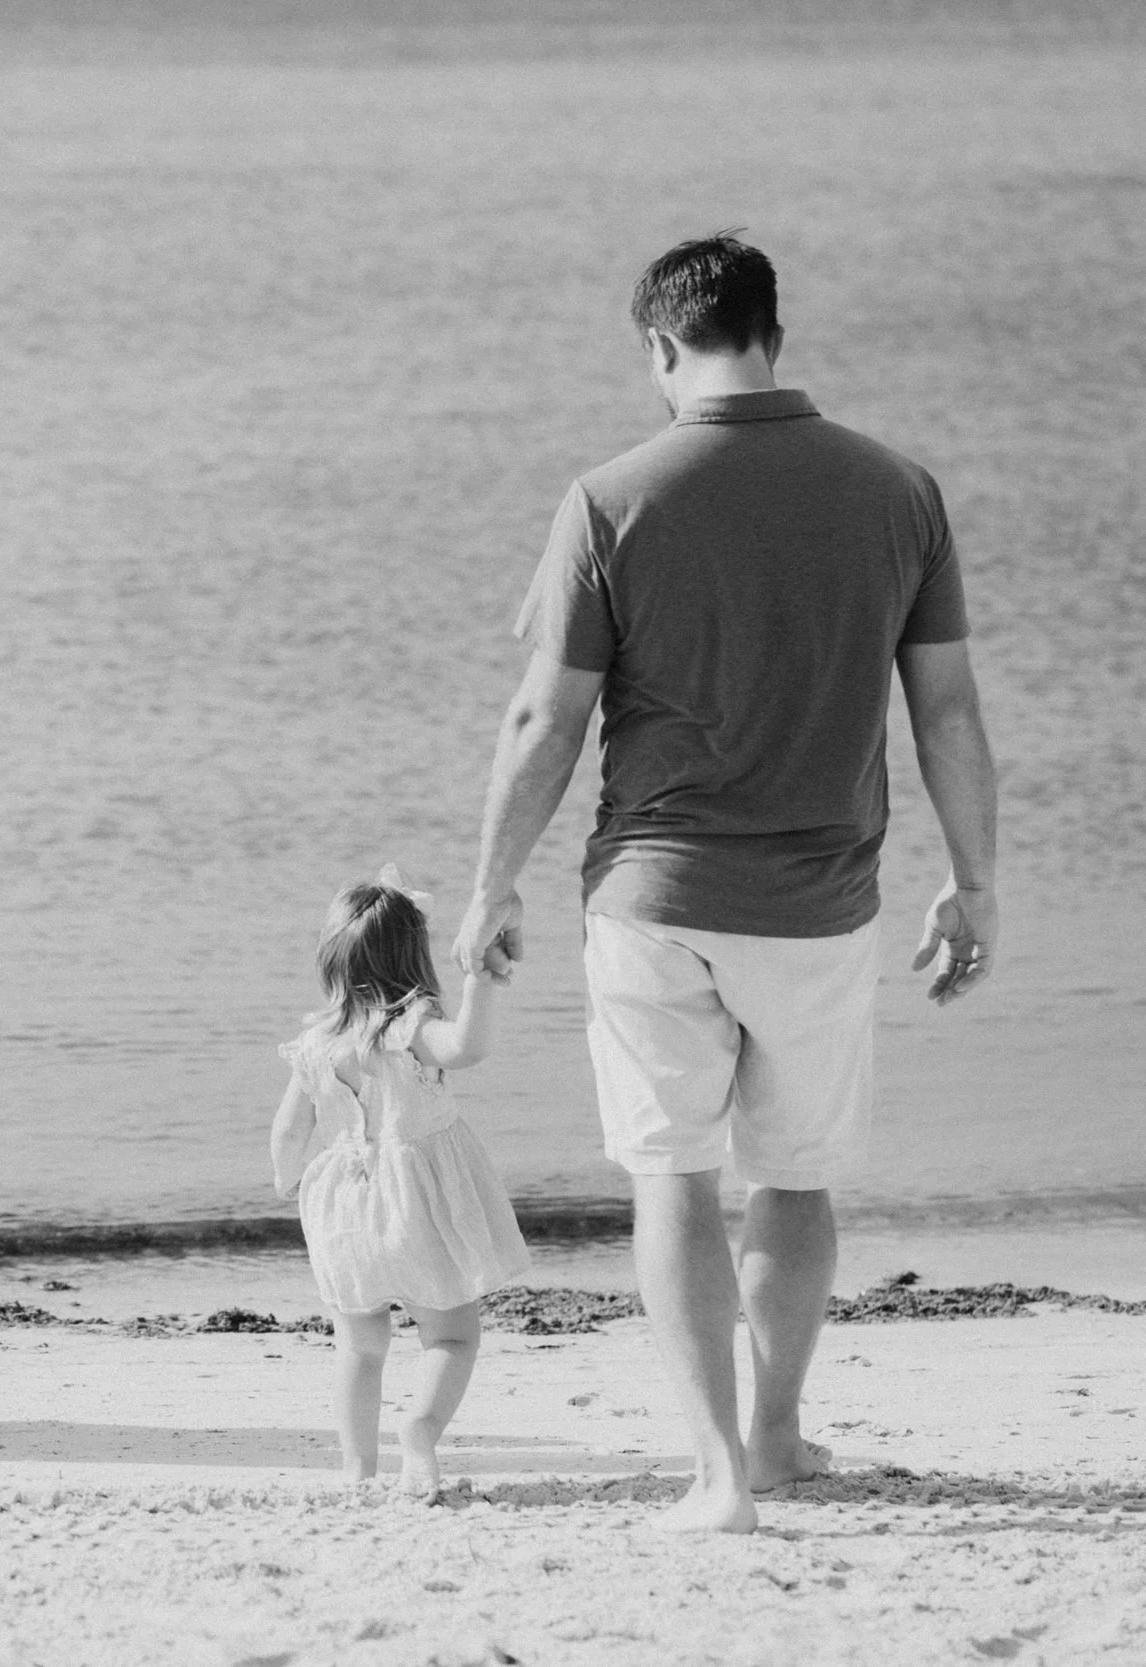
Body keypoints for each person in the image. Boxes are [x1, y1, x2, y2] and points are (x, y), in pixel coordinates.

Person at [451, 235, 1000, 1533]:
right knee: (797, 1176)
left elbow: (545, 719)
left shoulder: (609, 499)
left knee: (672, 1177)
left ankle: (714, 1472)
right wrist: (976, 882)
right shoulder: (899, 492)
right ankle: (777, 1433)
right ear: (775, 335)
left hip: (650, 894)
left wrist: (492, 883)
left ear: (658, 349)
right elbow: (953, 713)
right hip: (820, 902)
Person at [270, 866, 531, 1499]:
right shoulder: (410, 1026)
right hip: (417, 1202)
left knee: (359, 1348)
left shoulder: (315, 1043)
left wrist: (288, 1184)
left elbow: (286, 1131)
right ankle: (420, 1429)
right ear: (414, 956)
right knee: (450, 1335)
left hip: (341, 1202)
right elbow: (466, 1047)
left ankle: (358, 1472)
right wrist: (483, 978)